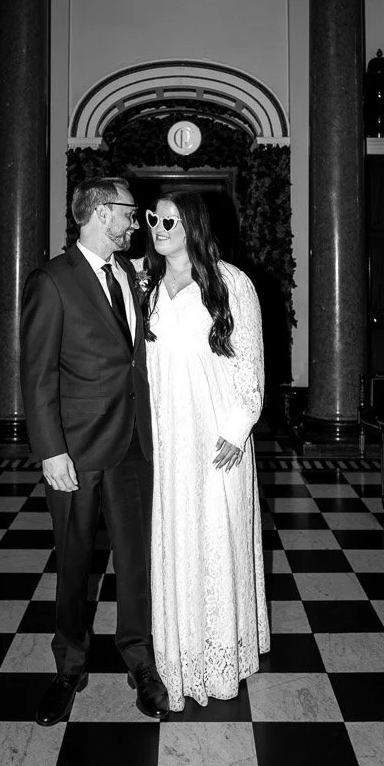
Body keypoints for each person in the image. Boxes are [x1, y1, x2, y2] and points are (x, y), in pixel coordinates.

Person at [19, 177, 170, 725]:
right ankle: (69, 665)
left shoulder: (131, 274)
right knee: (75, 560)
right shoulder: (51, 281)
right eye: (130, 214)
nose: (137, 224)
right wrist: (50, 451)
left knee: (136, 559)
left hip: (133, 443)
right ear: (101, 213)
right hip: (76, 450)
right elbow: (35, 376)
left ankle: (139, 659)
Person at [138, 191, 270, 711]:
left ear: (192, 224)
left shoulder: (231, 283)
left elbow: (251, 369)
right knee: (176, 544)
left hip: (217, 443)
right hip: (168, 444)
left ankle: (218, 656)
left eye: (168, 219)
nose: (157, 226)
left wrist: (237, 431)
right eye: (152, 218)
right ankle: (177, 656)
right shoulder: (147, 287)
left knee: (217, 544)